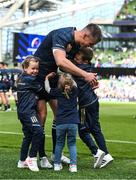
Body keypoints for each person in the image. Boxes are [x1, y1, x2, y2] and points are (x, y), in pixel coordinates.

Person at [34, 23, 102, 162]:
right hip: (39, 77)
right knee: (42, 115)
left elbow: (70, 67)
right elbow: (61, 62)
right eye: (90, 43)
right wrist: (85, 75)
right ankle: (41, 156)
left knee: (60, 114)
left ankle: (55, 154)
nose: (89, 47)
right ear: (85, 35)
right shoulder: (62, 35)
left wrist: (88, 83)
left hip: (54, 79)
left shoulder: (76, 45)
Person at [71, 47, 113, 168]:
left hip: (85, 105)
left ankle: (97, 152)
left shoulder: (79, 69)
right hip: (93, 102)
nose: (75, 57)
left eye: (77, 56)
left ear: (84, 60)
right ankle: (106, 155)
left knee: (82, 130)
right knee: (96, 129)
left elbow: (65, 65)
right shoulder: (88, 67)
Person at [17, 56, 52, 172]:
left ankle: (21, 161)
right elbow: (44, 92)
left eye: (37, 69)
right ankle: (31, 158)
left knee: (28, 136)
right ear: (25, 68)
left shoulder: (21, 77)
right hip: (28, 112)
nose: (35, 71)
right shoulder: (30, 80)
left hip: (22, 112)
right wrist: (47, 79)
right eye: (33, 68)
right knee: (39, 131)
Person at [45, 72, 79, 172]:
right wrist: (70, 77)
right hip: (73, 122)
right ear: (71, 82)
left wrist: (47, 78)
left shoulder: (58, 91)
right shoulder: (75, 90)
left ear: (60, 83)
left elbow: (48, 89)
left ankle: (56, 164)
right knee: (72, 144)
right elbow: (75, 84)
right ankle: (73, 166)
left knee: (59, 144)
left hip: (60, 122)